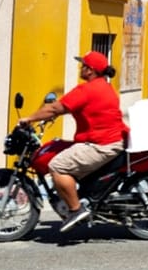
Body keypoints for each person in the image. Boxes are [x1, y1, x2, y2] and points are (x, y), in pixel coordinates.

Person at [18, 51, 128, 232]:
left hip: (102, 144)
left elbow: (55, 108)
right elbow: (72, 108)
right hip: (110, 139)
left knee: (58, 166)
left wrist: (29, 119)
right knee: (64, 150)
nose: (81, 67)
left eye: (83, 65)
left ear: (91, 70)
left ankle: (76, 210)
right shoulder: (104, 86)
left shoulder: (87, 90)